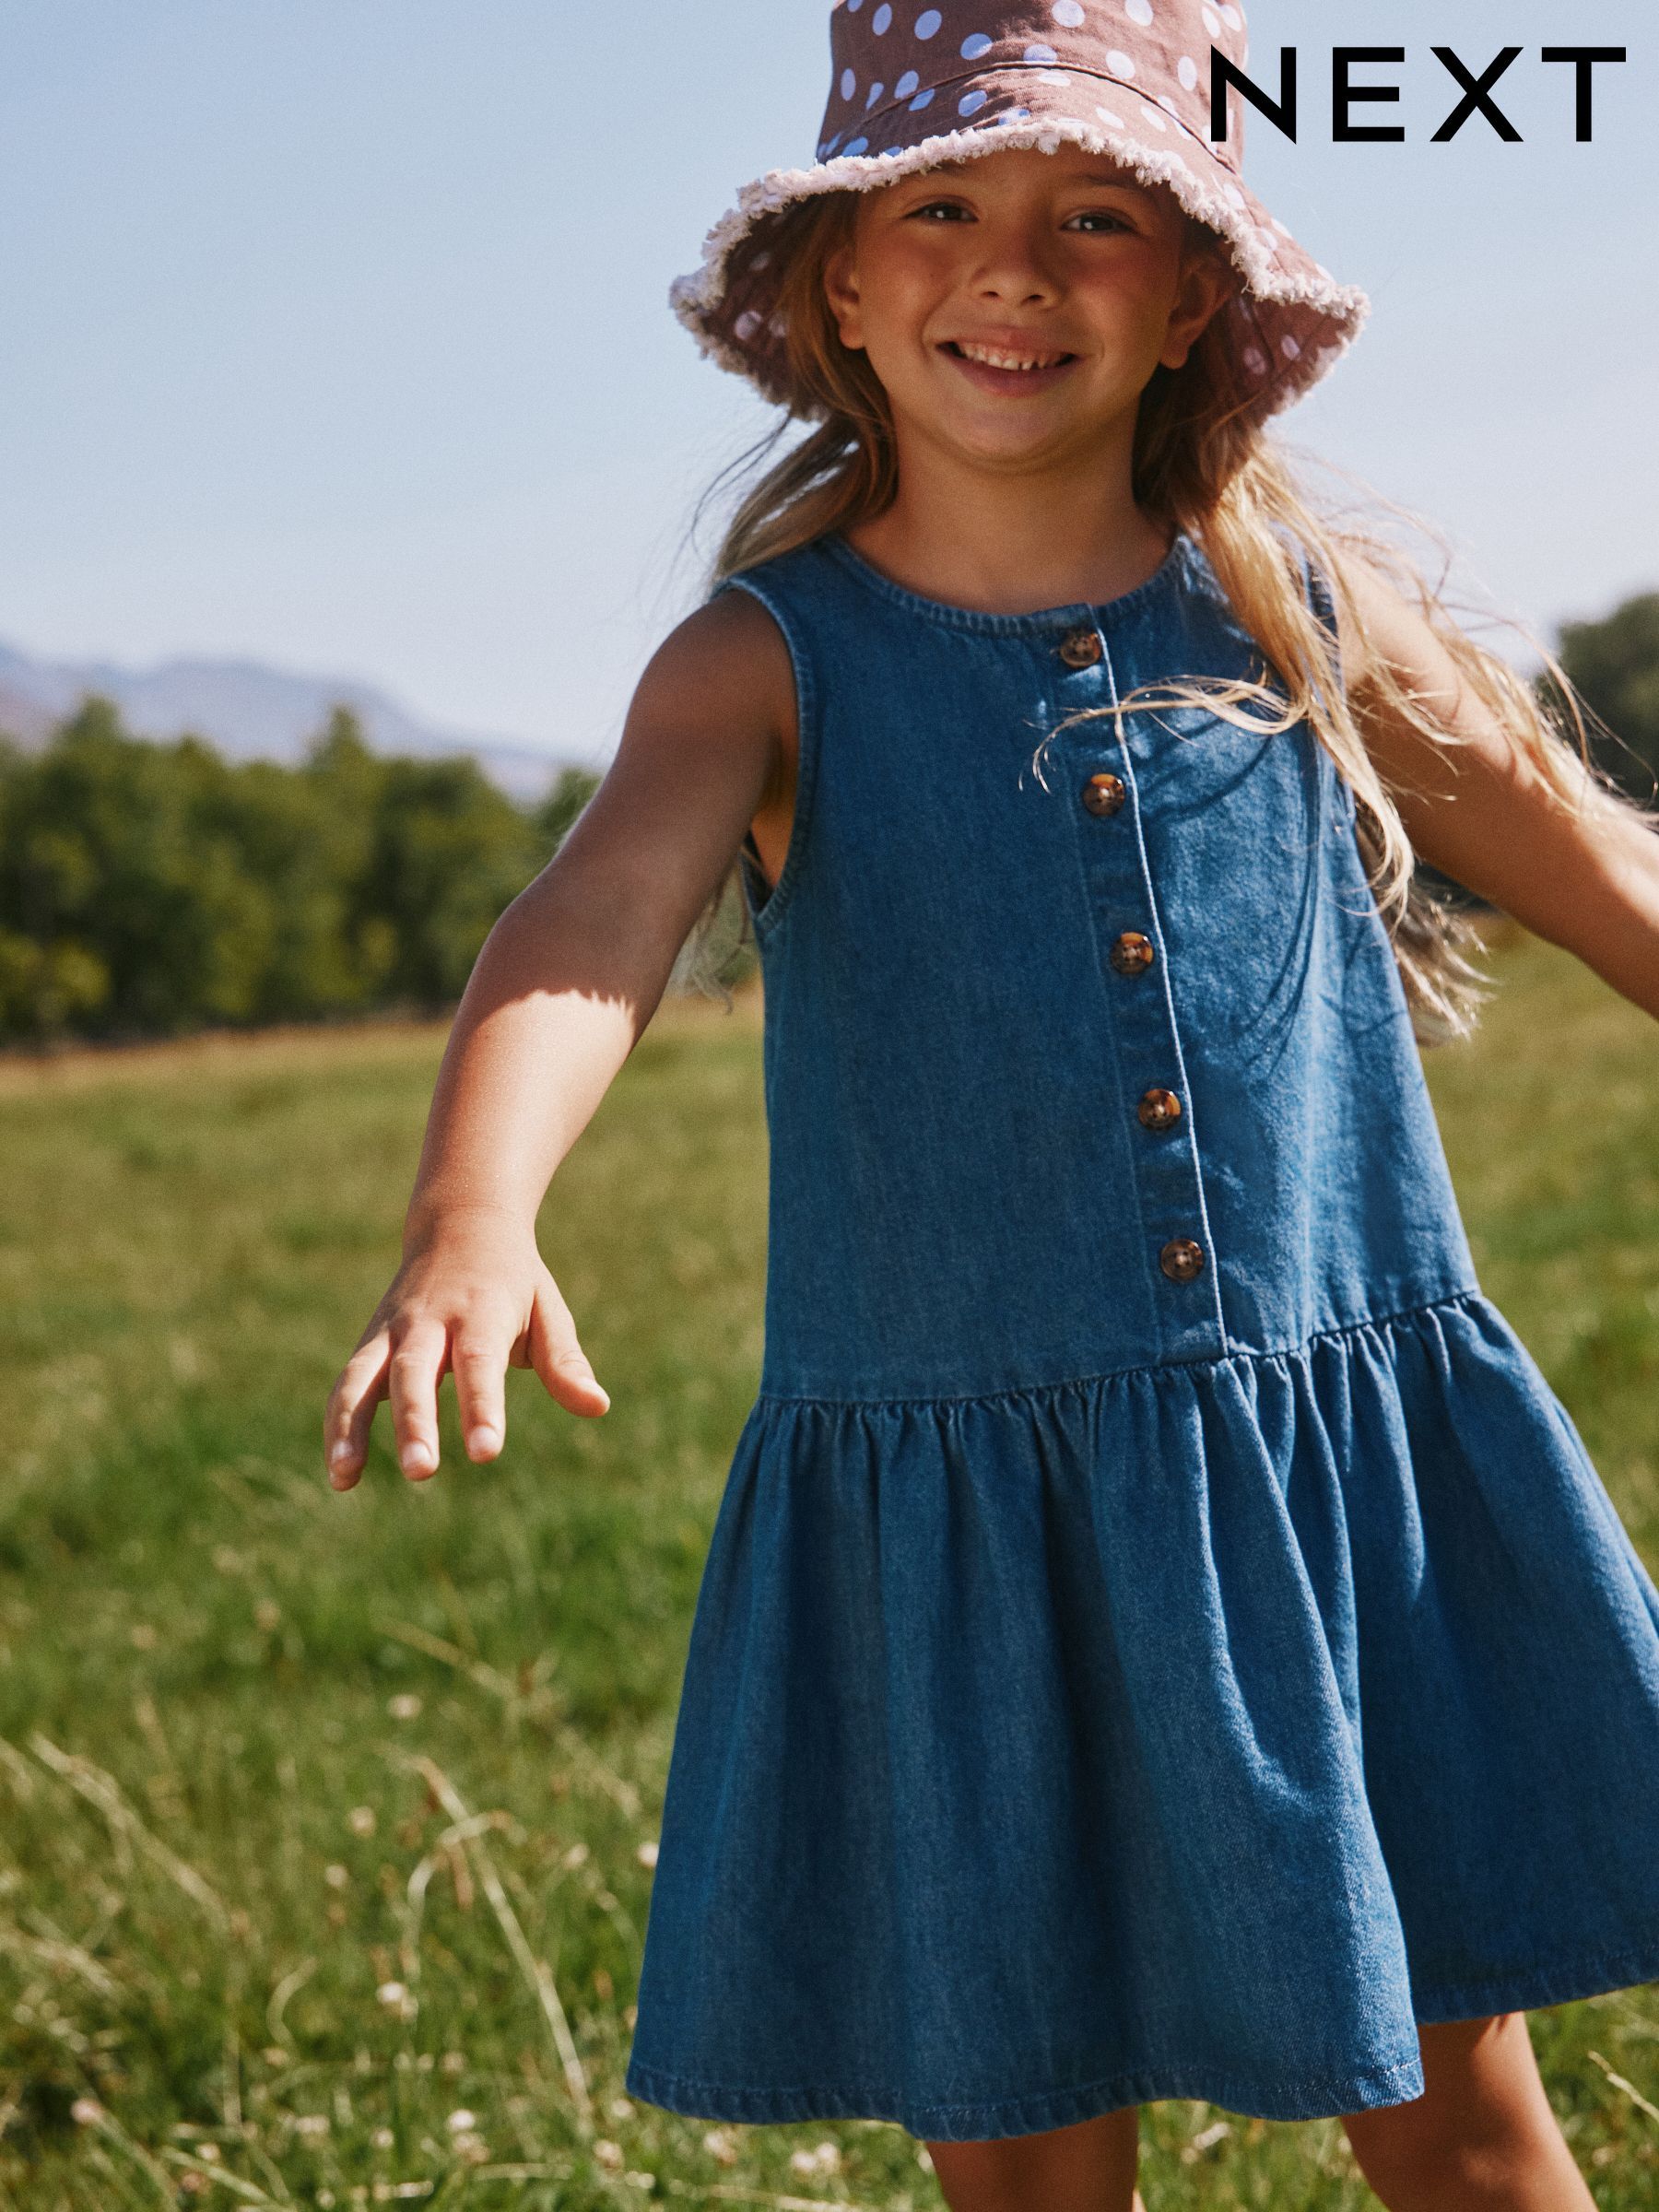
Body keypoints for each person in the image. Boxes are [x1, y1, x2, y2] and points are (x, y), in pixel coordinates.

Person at [324, 4, 1659, 2206]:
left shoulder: (1306, 613)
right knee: (1029, 2166)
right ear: (843, 281)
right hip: (972, 1547)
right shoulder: (760, 662)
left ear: (1197, 294)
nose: (1015, 266)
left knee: (1468, 2123)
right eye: (943, 204)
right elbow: (593, 923)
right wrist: (475, 1213)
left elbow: (1609, 872)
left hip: (1325, 1511)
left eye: (1096, 215)